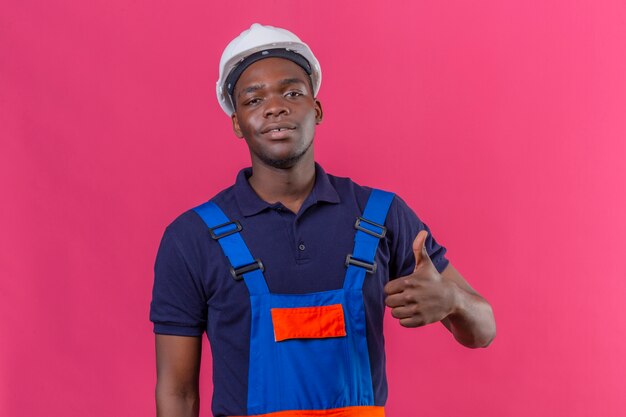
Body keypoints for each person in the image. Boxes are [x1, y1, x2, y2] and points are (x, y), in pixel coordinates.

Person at [150, 23, 496, 417]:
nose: (275, 106)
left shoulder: (380, 216)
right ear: (236, 123)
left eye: (292, 92)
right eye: (253, 99)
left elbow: (483, 332)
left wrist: (452, 301)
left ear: (317, 109)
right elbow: (177, 394)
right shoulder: (192, 238)